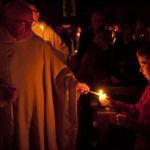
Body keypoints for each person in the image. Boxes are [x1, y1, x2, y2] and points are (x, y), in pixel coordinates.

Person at [0, 2, 90, 150]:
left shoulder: (38, 44)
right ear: (8, 20)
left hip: (36, 108)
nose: (30, 28)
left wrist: (74, 84)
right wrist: (2, 91)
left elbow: (59, 71)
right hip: (5, 112)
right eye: (24, 23)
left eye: (31, 23)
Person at [100, 42, 150, 150]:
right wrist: (113, 103)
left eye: (143, 63)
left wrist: (129, 122)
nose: (140, 70)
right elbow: (137, 109)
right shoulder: (149, 87)